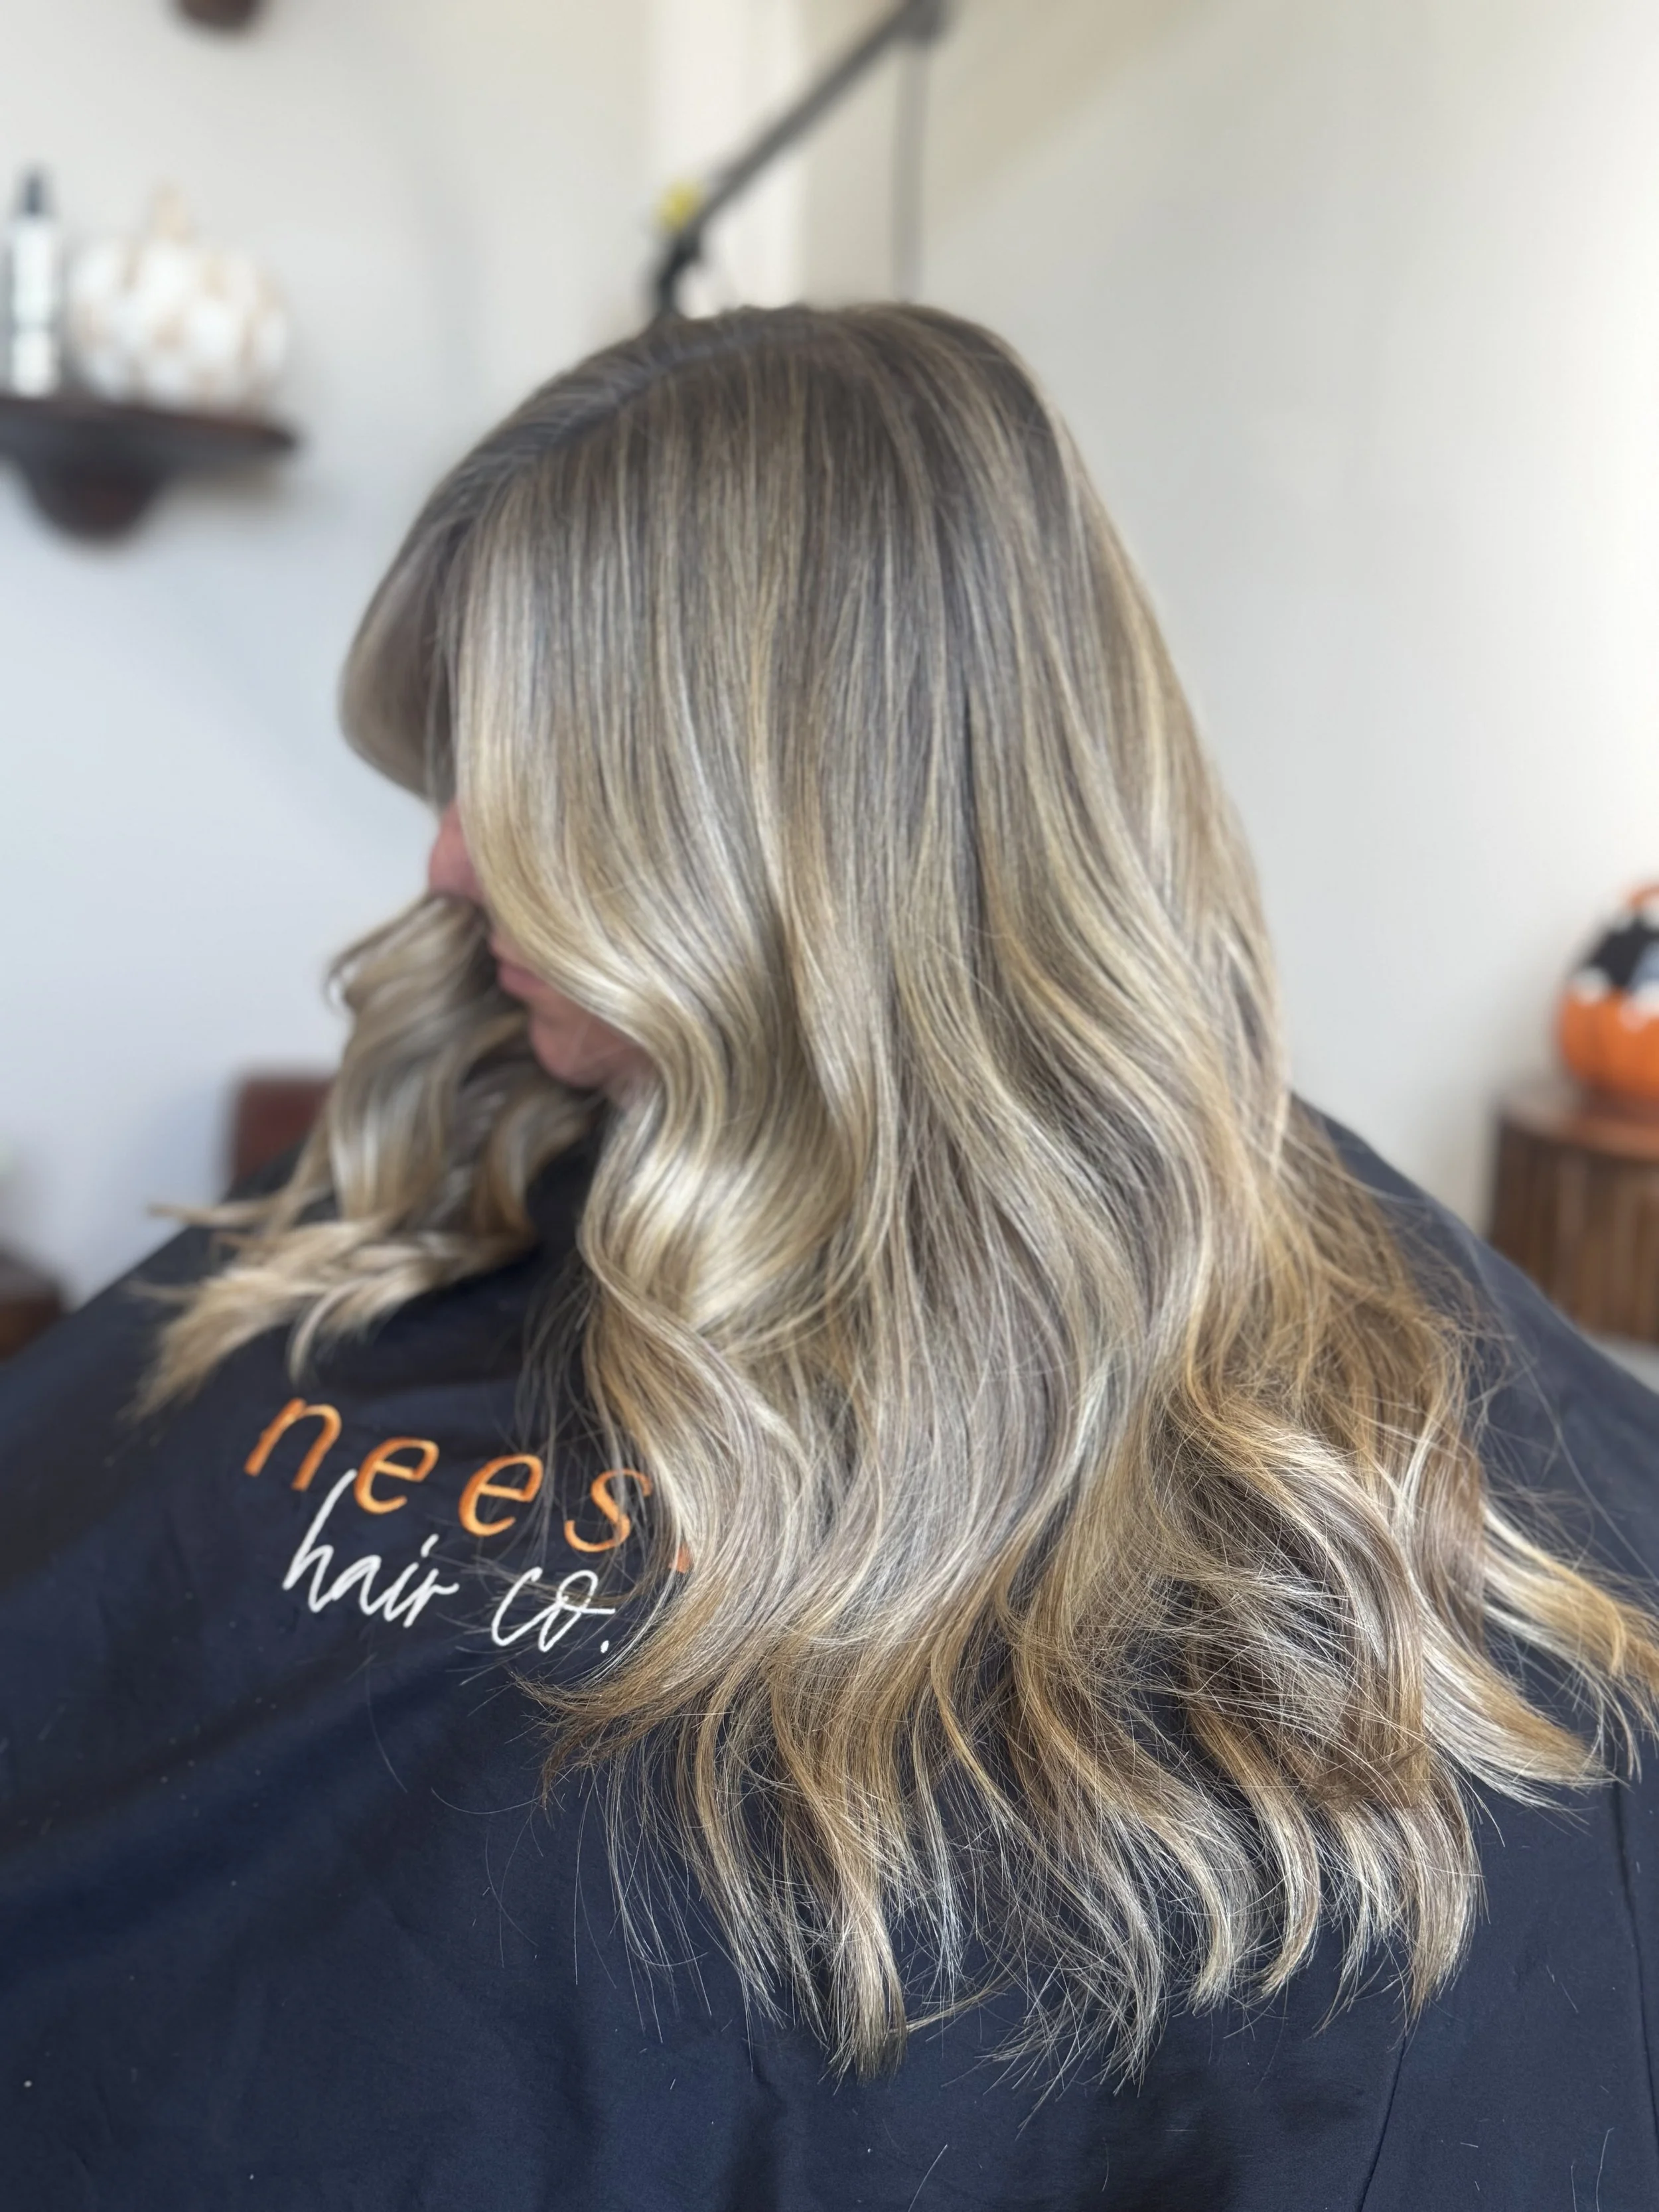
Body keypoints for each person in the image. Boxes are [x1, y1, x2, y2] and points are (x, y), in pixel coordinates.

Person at [3, 304, 1659, 2212]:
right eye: (461, 764)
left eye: (540, 785)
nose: (445, 864)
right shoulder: (440, 1161)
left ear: (807, 822)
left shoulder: (1407, 1530)